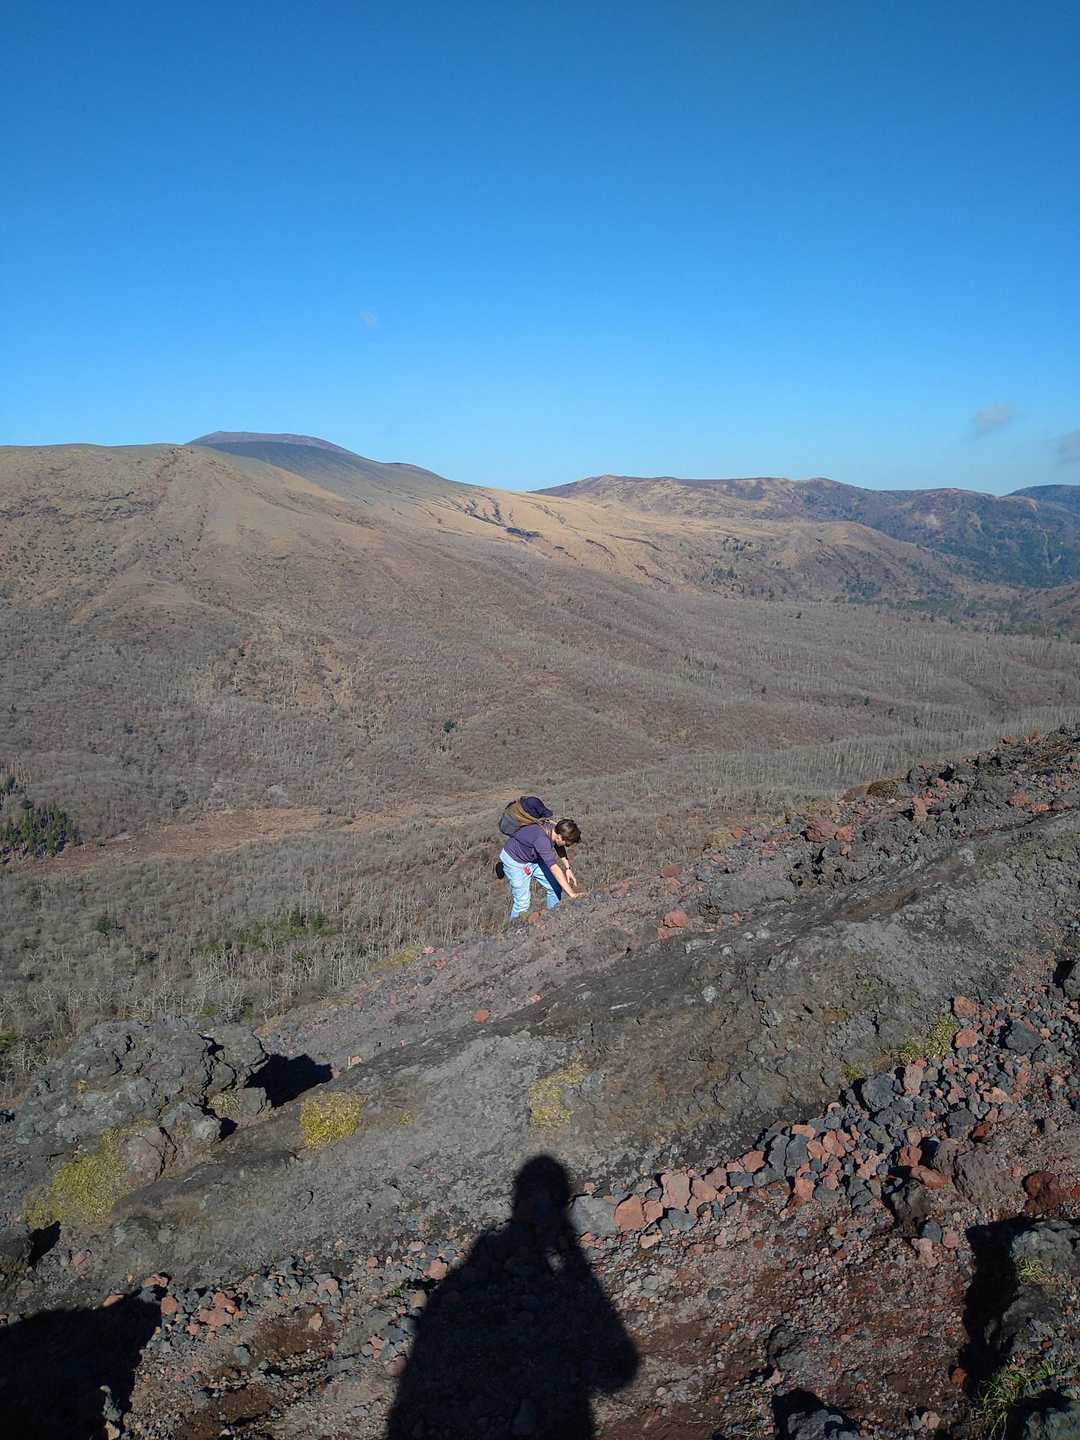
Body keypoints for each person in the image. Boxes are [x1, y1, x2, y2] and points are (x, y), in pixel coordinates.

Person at [498, 796, 581, 919]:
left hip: (533, 858)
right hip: (515, 862)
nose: (567, 846)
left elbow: (558, 846)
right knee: (522, 903)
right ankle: (514, 927)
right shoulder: (542, 839)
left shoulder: (554, 827)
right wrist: (572, 894)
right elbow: (554, 868)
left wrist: (568, 868)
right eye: (567, 843)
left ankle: (551, 919)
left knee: (555, 888)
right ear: (560, 837)